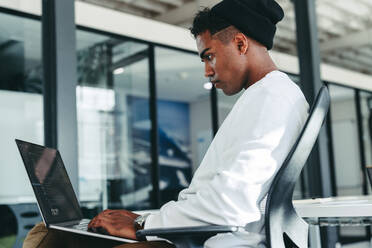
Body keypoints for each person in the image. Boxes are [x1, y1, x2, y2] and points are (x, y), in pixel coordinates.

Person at [23, 0, 309, 247]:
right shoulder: (267, 96)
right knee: (52, 232)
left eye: (209, 56)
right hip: (198, 235)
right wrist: (146, 219)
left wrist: (142, 227)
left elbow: (229, 205)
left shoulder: (272, 98)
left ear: (240, 43)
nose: (208, 71)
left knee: (51, 237)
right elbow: (218, 197)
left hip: (207, 240)